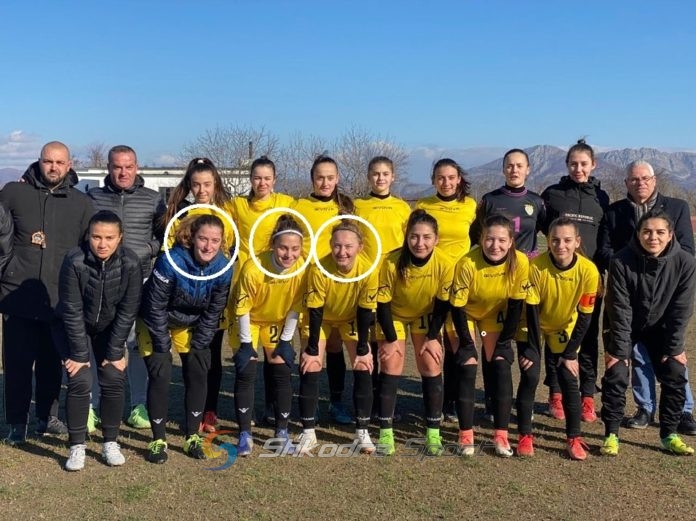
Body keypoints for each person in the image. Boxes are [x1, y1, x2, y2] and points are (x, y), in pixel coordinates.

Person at [0, 141, 94, 445]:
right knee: (16, 366)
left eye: (59, 162)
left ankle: (47, 417)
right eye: (48, 161)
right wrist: (6, 270)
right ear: (39, 161)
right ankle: (17, 423)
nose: (53, 167)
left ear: (69, 165)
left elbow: (87, 251)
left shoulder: (81, 204)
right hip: (17, 295)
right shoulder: (14, 193)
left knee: (51, 365)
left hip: (58, 300)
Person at [597, 160, 696, 435]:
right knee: (638, 356)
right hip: (629, 288)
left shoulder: (677, 207)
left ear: (654, 180)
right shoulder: (614, 211)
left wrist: (658, 262)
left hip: (665, 291)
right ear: (626, 183)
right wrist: (628, 262)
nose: (639, 183)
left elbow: (687, 249)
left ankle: (684, 411)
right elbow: (604, 249)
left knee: (673, 355)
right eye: (633, 179)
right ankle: (645, 407)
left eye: (645, 178)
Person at [138, 214, 232, 463]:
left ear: (221, 242)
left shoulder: (223, 267)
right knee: (161, 372)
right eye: (203, 239)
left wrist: (201, 342)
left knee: (199, 369)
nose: (208, 246)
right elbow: (155, 306)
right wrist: (162, 345)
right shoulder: (170, 261)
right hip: (155, 319)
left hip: (189, 322)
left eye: (215, 241)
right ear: (192, 238)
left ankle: (193, 437)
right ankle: (158, 440)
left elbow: (215, 309)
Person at [53, 211, 143, 470]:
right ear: (88, 236)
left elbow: (128, 311)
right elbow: (71, 310)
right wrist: (80, 356)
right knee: (80, 379)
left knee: (113, 376)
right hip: (73, 326)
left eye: (109, 238)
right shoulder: (74, 260)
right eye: (96, 237)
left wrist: (115, 352)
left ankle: (110, 442)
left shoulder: (131, 263)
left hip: (110, 329)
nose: (102, 244)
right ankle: (76, 445)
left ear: (120, 238)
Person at [87, 145, 166, 433]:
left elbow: (165, 237)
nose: (123, 172)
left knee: (135, 344)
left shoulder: (153, 200)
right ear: (108, 168)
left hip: (139, 281)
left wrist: (147, 249)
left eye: (128, 166)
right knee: (99, 343)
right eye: (117, 166)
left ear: (137, 167)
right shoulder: (93, 198)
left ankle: (138, 406)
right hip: (101, 282)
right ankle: (92, 405)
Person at [470, 148, 545, 422]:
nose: (514, 170)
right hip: (494, 280)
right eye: (509, 165)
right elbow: (475, 236)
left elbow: (550, 233)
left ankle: (525, 403)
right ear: (503, 169)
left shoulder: (537, 202)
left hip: (523, 279)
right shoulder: (489, 200)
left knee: (525, 341)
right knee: (492, 343)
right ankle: (492, 401)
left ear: (528, 169)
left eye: (519, 165)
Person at [162, 157, 233, 434]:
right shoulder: (180, 213)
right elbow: (169, 251)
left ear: (216, 184)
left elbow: (233, 249)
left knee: (212, 353)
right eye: (196, 184)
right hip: (187, 294)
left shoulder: (228, 212)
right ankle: (192, 411)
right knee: (190, 356)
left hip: (216, 291)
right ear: (189, 186)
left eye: (207, 184)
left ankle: (209, 410)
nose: (202, 190)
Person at [541, 139, 609, 423]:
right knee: (555, 334)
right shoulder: (553, 194)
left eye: (583, 164)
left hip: (589, 280)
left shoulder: (601, 198)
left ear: (593, 165)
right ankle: (555, 394)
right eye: (573, 164)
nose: (578, 169)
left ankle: (587, 398)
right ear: (566, 165)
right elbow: (543, 229)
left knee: (588, 337)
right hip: (556, 278)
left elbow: (604, 239)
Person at [296, 219, 378, 454]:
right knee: (311, 363)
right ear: (330, 245)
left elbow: (365, 311)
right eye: (337, 245)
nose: (342, 251)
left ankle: (362, 431)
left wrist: (363, 347)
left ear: (360, 247)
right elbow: (315, 310)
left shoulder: (368, 269)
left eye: (348, 246)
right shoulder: (318, 268)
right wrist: (312, 348)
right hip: (321, 319)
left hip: (351, 318)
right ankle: (308, 432)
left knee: (363, 364)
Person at [375, 210, 453, 456]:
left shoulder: (445, 263)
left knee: (431, 363)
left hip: (425, 316)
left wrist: (432, 337)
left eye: (427, 237)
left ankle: (433, 433)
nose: (420, 243)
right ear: (406, 236)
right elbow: (382, 305)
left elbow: (442, 306)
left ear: (436, 239)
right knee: (391, 363)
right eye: (414, 236)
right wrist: (390, 339)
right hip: (394, 316)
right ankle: (385, 432)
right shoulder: (391, 261)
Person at [450, 215, 529, 457]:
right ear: (481, 239)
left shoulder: (520, 261)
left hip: (492, 317)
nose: (495, 246)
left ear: (511, 241)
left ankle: (501, 435)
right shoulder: (467, 263)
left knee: (501, 364)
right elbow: (457, 308)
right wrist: (466, 343)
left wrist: (504, 343)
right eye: (489, 239)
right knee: (468, 365)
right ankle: (466, 434)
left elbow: (516, 306)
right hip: (465, 315)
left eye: (501, 240)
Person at [230, 214, 307, 456]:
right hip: (248, 320)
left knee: (282, 371)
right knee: (246, 371)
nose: (289, 254)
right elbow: (242, 308)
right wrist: (246, 344)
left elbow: (296, 307)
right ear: (273, 245)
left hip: (277, 321)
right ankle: (245, 435)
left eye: (295, 249)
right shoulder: (253, 268)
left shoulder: (302, 269)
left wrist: (285, 340)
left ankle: (281, 433)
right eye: (283, 247)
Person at [228, 155, 295, 428]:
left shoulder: (287, 203)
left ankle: (271, 409)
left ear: (275, 180)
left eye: (267, 178)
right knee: (246, 358)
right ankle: (247, 416)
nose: (262, 183)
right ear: (250, 179)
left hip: (276, 286)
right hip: (246, 284)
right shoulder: (238, 205)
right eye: (257, 178)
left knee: (274, 357)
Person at [526, 217, 600, 460]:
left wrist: (570, 354)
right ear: (548, 241)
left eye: (567, 240)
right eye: (555, 240)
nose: (561, 245)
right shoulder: (536, 266)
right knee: (530, 373)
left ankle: (573, 438)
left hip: (564, 326)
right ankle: (525, 435)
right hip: (535, 325)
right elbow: (532, 312)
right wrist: (533, 349)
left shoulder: (589, 270)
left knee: (568, 376)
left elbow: (585, 317)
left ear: (577, 242)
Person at [293, 155, 355, 425]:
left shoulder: (346, 207)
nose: (325, 182)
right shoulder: (299, 207)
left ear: (337, 178)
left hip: (338, 286)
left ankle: (336, 402)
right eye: (320, 177)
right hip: (308, 286)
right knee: (310, 344)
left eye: (330, 177)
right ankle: (310, 403)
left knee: (335, 345)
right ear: (312, 179)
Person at [416, 158, 477, 423]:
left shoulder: (471, 206)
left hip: (461, 285)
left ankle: (452, 403)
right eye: (441, 178)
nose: (446, 182)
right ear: (433, 180)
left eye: (451, 177)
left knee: (457, 345)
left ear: (459, 179)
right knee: (433, 343)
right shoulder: (423, 206)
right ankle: (433, 404)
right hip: (432, 282)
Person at [354, 156, 411, 418]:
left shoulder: (402, 207)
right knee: (368, 342)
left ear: (393, 177)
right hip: (366, 281)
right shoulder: (358, 206)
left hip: (392, 283)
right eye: (375, 173)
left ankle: (385, 403)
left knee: (388, 342)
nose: (380, 178)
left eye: (385, 173)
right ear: (369, 176)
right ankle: (370, 402)